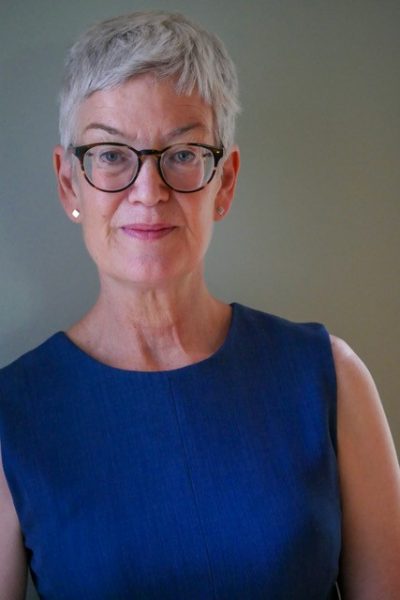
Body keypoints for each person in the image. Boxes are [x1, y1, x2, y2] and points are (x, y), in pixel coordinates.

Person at [0, 10, 399, 600]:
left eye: (183, 153)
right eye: (111, 154)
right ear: (69, 184)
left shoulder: (330, 378)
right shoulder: (13, 416)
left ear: (226, 182)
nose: (148, 190)